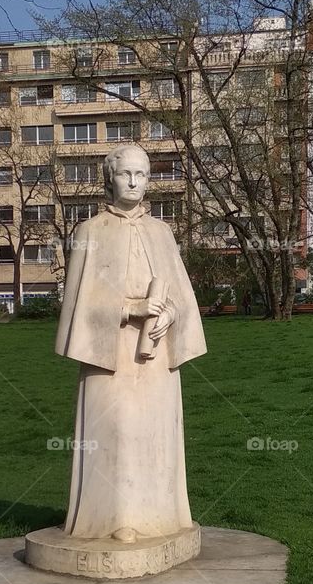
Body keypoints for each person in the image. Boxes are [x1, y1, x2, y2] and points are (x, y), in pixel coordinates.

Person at [56, 143, 206, 542]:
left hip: (156, 356)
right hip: (112, 353)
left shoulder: (162, 232)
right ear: (110, 179)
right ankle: (117, 519)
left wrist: (169, 314)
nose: (135, 182)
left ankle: (161, 515)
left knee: (154, 434)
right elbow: (80, 308)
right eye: (126, 174)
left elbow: (182, 297)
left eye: (142, 174)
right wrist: (131, 309)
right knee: (118, 432)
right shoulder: (90, 233)